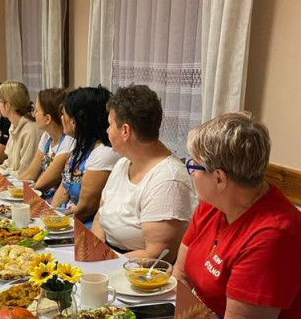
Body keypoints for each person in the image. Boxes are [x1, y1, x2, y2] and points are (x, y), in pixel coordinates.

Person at [173, 111, 301, 319]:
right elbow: (180, 274)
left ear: (219, 178)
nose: (190, 173)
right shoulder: (213, 204)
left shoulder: (274, 234)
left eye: (194, 166)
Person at [91, 85, 195, 260]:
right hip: (109, 257)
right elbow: (100, 216)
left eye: (110, 125)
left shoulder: (168, 180)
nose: (107, 131)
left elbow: (157, 254)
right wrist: (93, 252)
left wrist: (104, 264)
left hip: (136, 272)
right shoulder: (123, 163)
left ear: (125, 131)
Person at [50, 87, 118, 225]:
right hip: (69, 218)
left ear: (75, 121)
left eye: (64, 114)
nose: (61, 118)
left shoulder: (104, 152)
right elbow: (64, 187)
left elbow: (85, 209)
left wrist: (54, 225)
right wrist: (51, 214)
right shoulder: (80, 144)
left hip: (87, 226)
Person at [18, 88, 75, 198]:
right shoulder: (47, 136)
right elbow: (31, 173)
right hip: (40, 194)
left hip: (53, 200)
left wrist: (19, 193)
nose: (33, 114)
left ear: (48, 119)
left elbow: (45, 182)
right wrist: (10, 187)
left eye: (37, 111)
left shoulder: (68, 141)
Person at [0, 81, 42, 174]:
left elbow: (24, 171)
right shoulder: (14, 124)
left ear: (7, 105)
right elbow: (9, 161)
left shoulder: (30, 131)